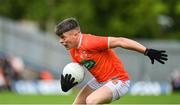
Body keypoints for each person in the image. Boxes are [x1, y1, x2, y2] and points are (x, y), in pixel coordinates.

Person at [55, 17, 168, 104]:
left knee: (91, 101)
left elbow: (120, 41)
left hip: (119, 81)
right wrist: (67, 85)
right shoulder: (73, 50)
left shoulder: (91, 42)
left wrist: (146, 51)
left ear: (76, 34)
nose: (60, 41)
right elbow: (77, 72)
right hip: (100, 81)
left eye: (63, 37)